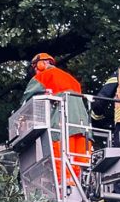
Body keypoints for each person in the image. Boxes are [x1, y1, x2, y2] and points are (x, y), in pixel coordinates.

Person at [22, 52, 92, 184]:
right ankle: (77, 193)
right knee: (79, 165)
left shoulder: (43, 76)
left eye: (36, 67)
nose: (35, 71)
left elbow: (27, 102)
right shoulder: (73, 80)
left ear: (43, 64)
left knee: (59, 163)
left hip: (60, 125)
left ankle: (62, 194)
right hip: (83, 128)